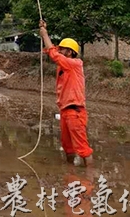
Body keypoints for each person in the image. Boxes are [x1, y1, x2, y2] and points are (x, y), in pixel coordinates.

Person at [39, 20, 94, 166]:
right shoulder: (65, 64)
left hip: (75, 111)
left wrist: (44, 35)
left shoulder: (74, 64)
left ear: (69, 52)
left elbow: (54, 54)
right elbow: (52, 50)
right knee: (67, 147)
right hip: (65, 111)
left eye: (62, 49)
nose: (59, 51)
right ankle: (70, 173)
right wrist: (45, 31)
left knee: (83, 149)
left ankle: (89, 178)